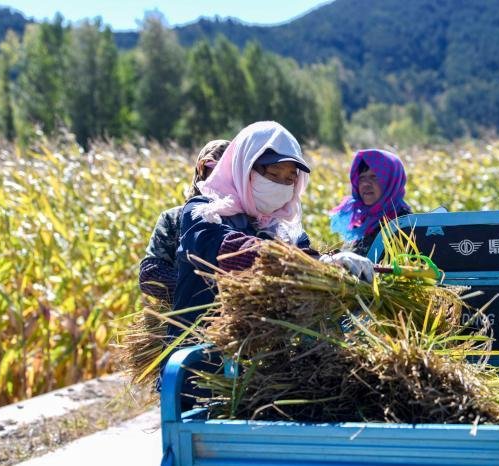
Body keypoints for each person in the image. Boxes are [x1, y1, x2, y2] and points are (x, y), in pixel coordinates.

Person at [171, 121, 374, 333]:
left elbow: (304, 253)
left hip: (254, 349)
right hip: (199, 346)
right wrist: (312, 263)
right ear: (245, 167)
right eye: (273, 174)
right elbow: (230, 248)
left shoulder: (281, 227)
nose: (280, 185)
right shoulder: (203, 211)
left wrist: (336, 265)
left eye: (289, 179)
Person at [139, 139, 229, 304]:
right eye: (214, 171)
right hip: (181, 320)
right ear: (202, 171)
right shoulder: (174, 219)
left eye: (228, 174)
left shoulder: (249, 220)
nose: (221, 180)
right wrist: (206, 292)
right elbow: (149, 274)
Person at [330, 149, 412, 258]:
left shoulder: (403, 224)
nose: (365, 184)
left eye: (374, 177)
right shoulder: (361, 220)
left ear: (391, 182)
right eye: (362, 178)